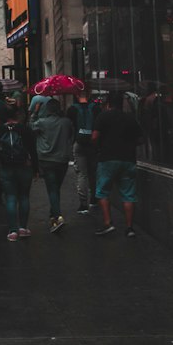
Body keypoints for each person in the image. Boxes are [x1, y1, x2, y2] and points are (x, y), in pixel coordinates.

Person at [92, 90, 144, 236]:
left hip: (107, 159)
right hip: (128, 160)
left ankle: (108, 223)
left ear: (108, 103)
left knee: (102, 191)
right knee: (129, 194)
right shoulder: (130, 118)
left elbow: (95, 137)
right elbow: (140, 140)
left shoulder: (103, 116)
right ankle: (129, 228)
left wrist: (99, 146)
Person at [29, 95, 74, 232]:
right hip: (62, 159)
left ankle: (57, 216)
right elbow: (71, 135)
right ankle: (53, 215)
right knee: (56, 187)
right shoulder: (66, 122)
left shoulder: (42, 122)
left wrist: (35, 112)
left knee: (52, 188)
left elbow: (31, 127)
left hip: (46, 159)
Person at [0, 100, 33, 241]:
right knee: (24, 197)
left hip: (6, 167)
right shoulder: (25, 129)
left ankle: (13, 230)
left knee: (10, 197)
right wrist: (35, 168)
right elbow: (32, 150)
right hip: (24, 166)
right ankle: (23, 228)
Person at [67, 92, 98, 213]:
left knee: (81, 174)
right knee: (92, 173)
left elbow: (70, 126)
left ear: (76, 95)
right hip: (92, 143)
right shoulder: (95, 108)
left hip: (79, 143)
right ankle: (94, 199)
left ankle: (83, 204)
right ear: (89, 95)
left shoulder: (72, 109)